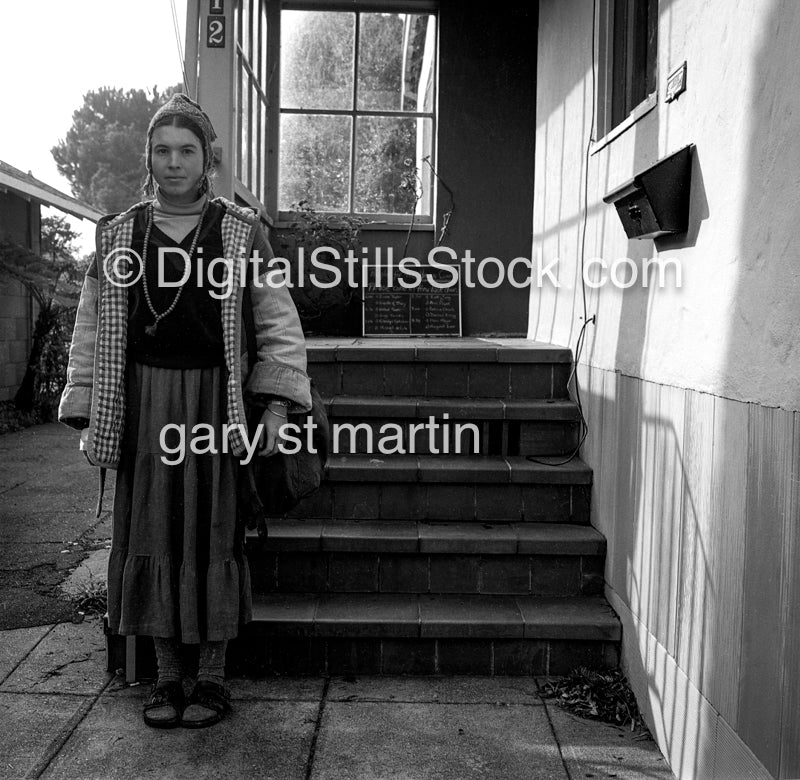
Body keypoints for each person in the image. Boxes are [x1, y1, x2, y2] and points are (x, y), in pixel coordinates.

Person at [58, 94, 311, 729]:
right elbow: (91, 329)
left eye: (187, 151)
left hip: (216, 405)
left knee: (213, 528)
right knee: (153, 531)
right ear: (148, 157)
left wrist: (277, 407)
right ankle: (168, 678)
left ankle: (214, 680)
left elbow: (277, 323)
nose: (174, 163)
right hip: (142, 405)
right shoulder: (119, 235)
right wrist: (90, 412)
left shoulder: (238, 232)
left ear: (208, 160)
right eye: (162, 150)